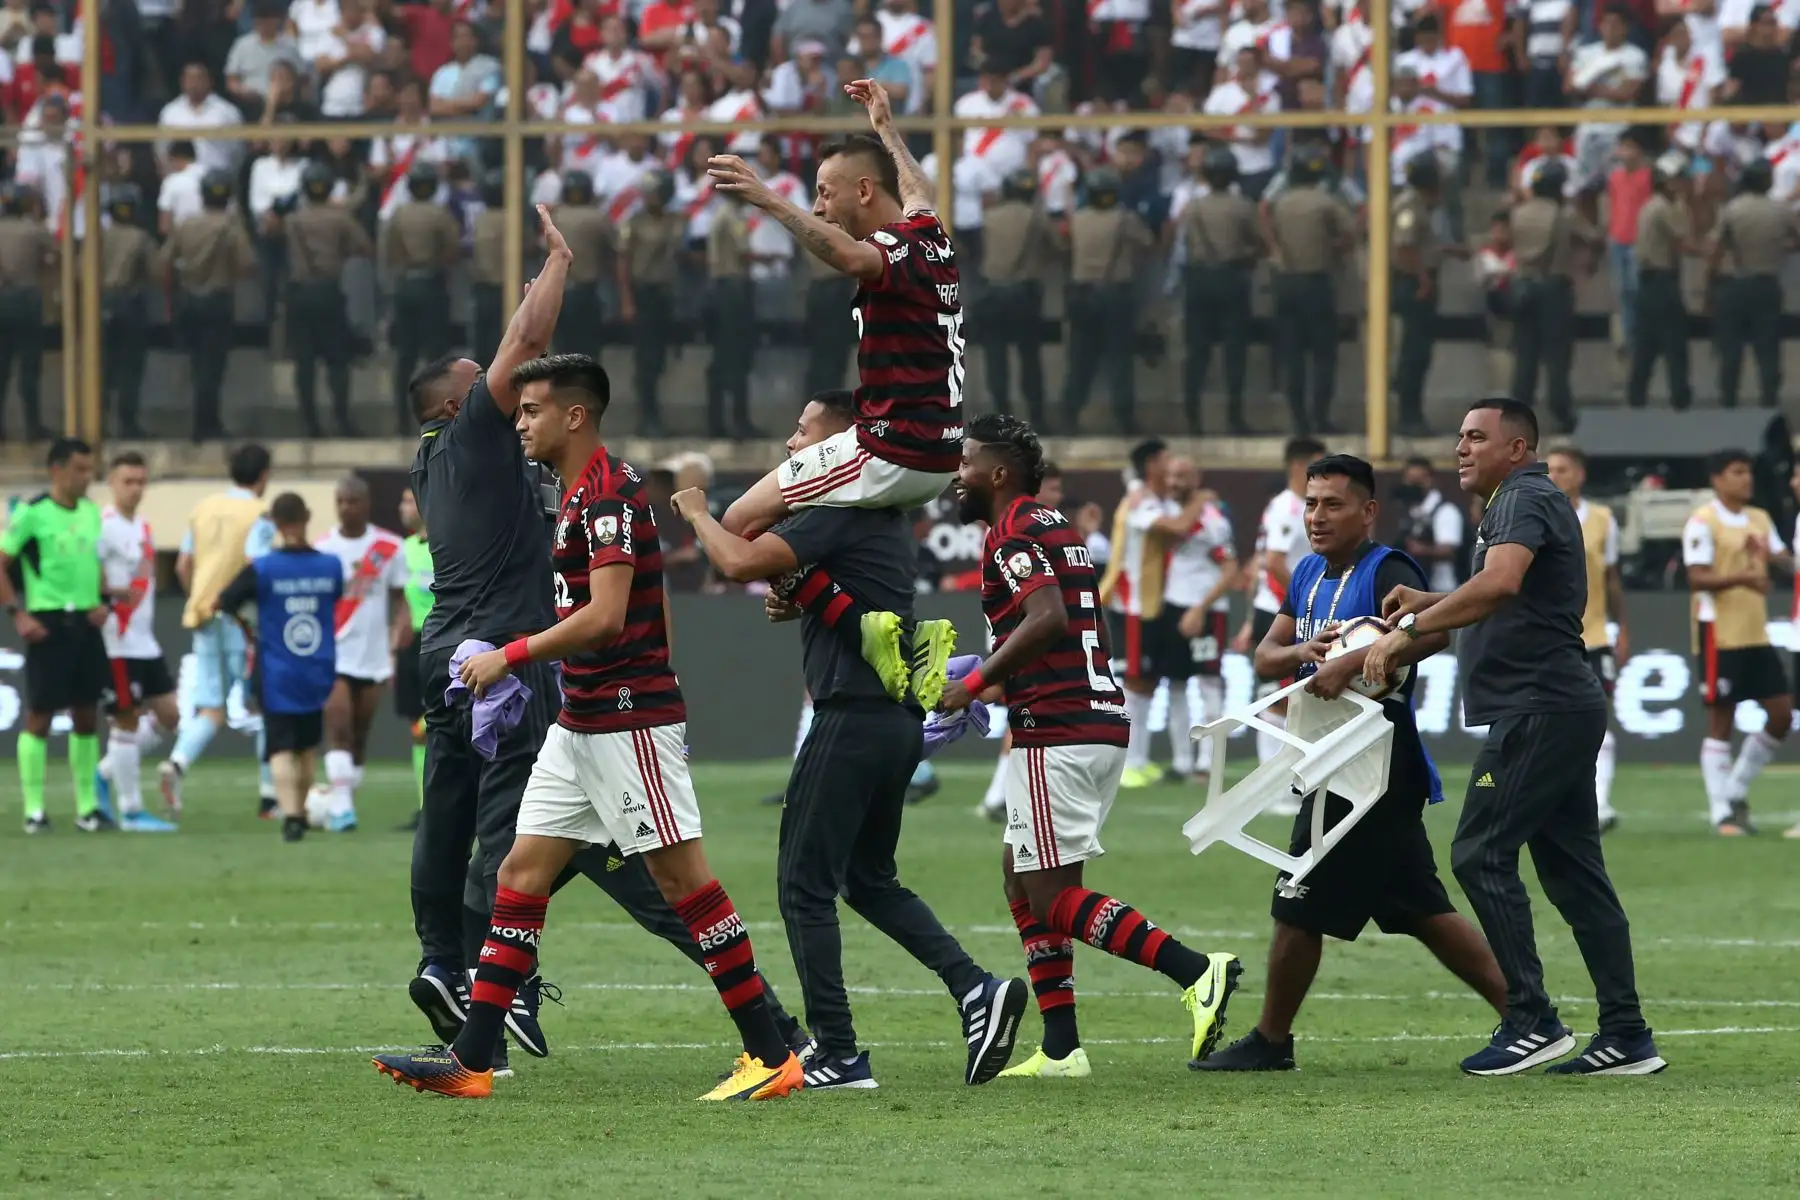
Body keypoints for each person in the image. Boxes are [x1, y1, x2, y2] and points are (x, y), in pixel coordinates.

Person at [404, 213, 804, 1072]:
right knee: (518, 873)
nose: (514, 416)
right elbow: (526, 343)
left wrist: (508, 655)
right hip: (578, 722)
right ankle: (474, 1058)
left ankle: (774, 1050)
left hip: (626, 718)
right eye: (510, 402)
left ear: (574, 414)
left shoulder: (610, 494)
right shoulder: (562, 489)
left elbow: (609, 620)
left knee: (681, 885)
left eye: (532, 407)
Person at [672, 392, 1028, 1093]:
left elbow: (738, 561)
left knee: (802, 885)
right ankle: (977, 989)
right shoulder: (877, 518)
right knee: (867, 879)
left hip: (851, 717)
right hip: (888, 721)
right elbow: (832, 595)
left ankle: (837, 1051)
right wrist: (801, 589)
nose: (789, 446)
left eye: (803, 433)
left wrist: (695, 514)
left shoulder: (838, 509)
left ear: (840, 446)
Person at [1363, 397, 1663, 1076]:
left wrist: (1410, 629)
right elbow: (1495, 588)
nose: (1461, 448)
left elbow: (1500, 584)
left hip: (1539, 708)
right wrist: (1428, 607)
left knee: (1479, 852)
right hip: (1556, 704)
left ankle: (1531, 1020)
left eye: (1476, 437)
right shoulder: (1522, 500)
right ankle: (1626, 1036)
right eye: (1459, 437)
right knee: (1575, 874)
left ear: (1518, 449)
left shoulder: (1521, 497)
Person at [942, 413, 1243, 1080]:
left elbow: (1046, 618)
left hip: (1060, 728)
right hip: (1091, 717)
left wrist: (979, 682)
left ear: (997, 473)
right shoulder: (1057, 528)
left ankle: (1197, 971)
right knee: (1021, 875)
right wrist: (996, 680)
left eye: (964, 464)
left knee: (1049, 897)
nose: (955, 476)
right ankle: (1060, 1047)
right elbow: (1068, 621)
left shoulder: (1011, 532)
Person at [1197, 453, 1507, 1071]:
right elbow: (1264, 657)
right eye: (1311, 503)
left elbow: (1437, 632)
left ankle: (1271, 1040)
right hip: (1329, 760)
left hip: (1377, 764)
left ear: (1367, 512)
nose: (1317, 516)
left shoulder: (1386, 567)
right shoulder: (1307, 572)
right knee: (1421, 910)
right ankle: (1529, 1013)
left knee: (1297, 895)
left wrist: (1356, 661)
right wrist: (1302, 652)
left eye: (1333, 504)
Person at [704, 78, 964, 540]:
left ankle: (805, 590)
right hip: (938, 449)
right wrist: (885, 128)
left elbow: (847, 256)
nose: (820, 207)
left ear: (863, 191)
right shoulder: (929, 232)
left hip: (895, 449)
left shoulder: (894, 247)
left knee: (735, 525)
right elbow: (915, 187)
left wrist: (767, 198)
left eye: (826, 192)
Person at [211, 493, 341, 844]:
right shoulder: (331, 566)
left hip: (276, 668)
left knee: (280, 747)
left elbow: (221, 602)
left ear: (275, 523)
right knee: (307, 746)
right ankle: (301, 808)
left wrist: (249, 625)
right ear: (308, 516)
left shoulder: (264, 568)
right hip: (318, 665)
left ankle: (292, 818)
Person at [0, 438, 109, 832]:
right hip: (48, 623)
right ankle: (34, 810)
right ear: (57, 470)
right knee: (40, 717)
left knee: (85, 715)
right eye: (80, 469)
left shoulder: (93, 514)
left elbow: (94, 565)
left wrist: (103, 602)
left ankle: (87, 808)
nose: (87, 477)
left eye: (89, 469)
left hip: (85, 623)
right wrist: (19, 614)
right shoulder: (33, 514)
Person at [162, 444, 276, 816]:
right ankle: (269, 796)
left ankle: (177, 762)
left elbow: (182, 565)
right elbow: (255, 566)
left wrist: (199, 595)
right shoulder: (260, 513)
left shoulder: (203, 508)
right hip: (241, 619)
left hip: (203, 615)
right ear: (263, 476)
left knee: (211, 708)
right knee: (262, 703)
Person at [1681, 449, 1790, 836]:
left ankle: (1736, 789)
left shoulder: (1759, 519)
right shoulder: (1703, 522)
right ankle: (1721, 812)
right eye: (1737, 472)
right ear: (1718, 479)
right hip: (1719, 633)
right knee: (1721, 719)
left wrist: (1771, 559)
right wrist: (1743, 578)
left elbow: (1788, 563)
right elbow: (1696, 578)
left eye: (1748, 472)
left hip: (1755, 633)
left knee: (1781, 715)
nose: (1747, 479)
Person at [1098, 438, 1207, 788]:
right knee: (1134, 682)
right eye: (1166, 459)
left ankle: (1139, 759)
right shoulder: (1140, 500)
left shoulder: (1152, 497)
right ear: (1152, 465)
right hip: (1132, 605)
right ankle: (1126, 762)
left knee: (1146, 684)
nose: (1171, 465)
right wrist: (1202, 501)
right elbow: (1175, 528)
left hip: (1151, 604)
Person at [311, 475, 410, 833]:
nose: (345, 508)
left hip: (373, 656)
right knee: (337, 727)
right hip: (333, 654)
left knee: (359, 735)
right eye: (340, 501)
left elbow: (400, 599)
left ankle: (342, 799)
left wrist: (400, 629)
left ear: (365, 505)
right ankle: (342, 809)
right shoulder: (323, 549)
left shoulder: (389, 547)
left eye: (352, 501)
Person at [95, 453, 180, 833]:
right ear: (111, 483)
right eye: (127, 481)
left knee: (170, 716)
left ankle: (107, 769)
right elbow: (90, 578)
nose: (135, 489)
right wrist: (109, 598)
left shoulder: (144, 527)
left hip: (145, 640)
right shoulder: (101, 526)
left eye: (141, 482)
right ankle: (131, 811)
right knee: (126, 723)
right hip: (116, 640)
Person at [1546, 446, 1630, 832]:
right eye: (1550, 469)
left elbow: (1611, 577)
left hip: (1593, 635)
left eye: (1562, 469)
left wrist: (1623, 628)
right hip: (1548, 637)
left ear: (1580, 474)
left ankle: (1600, 804)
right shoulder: (1538, 516)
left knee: (1598, 717)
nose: (1555, 476)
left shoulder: (1602, 520)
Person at [1234, 437, 1326, 781]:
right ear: (1298, 466)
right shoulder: (1286, 508)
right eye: (1319, 465)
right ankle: (1270, 782)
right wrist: (1309, 596)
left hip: (1289, 610)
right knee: (1279, 697)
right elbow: (1273, 562)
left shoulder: (1304, 506)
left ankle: (1288, 777)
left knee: (1298, 695)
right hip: (1281, 612)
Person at [159, 170, 255, 441]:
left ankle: (202, 423)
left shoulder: (187, 224)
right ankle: (206, 425)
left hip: (188, 299)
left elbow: (164, 259)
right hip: (218, 300)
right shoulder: (231, 226)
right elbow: (248, 263)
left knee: (196, 364)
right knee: (213, 367)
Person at [1267, 145, 1354, 436]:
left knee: (1292, 355)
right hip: (1316, 281)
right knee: (1322, 355)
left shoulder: (1281, 203)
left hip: (1286, 281)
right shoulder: (1326, 202)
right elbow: (1350, 233)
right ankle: (1320, 416)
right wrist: (1332, 248)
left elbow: (1269, 231)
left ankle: (1299, 420)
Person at [1178, 146, 1261, 436]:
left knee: (1197, 352)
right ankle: (1235, 418)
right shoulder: (1243, 205)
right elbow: (1259, 242)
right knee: (1234, 351)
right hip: (1232, 279)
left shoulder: (1193, 207)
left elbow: (1185, 243)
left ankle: (1192, 418)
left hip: (1199, 280)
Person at [284, 162, 371, 437]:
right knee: (337, 360)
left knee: (305, 362)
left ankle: (310, 423)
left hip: (299, 294)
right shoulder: (341, 218)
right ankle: (342, 420)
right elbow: (364, 247)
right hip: (329, 292)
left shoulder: (293, 220)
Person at [1508, 160, 1596, 433]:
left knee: (1525, 355)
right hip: (1554, 288)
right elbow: (1593, 237)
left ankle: (1518, 416)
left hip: (1523, 286)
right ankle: (1561, 413)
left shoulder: (1518, 213)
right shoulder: (1565, 215)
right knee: (1557, 356)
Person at [1062, 167, 1152, 434]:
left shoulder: (1077, 219)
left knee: (1080, 359)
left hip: (1082, 294)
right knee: (1119, 360)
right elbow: (1148, 242)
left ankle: (1070, 415)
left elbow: (1065, 246)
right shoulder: (1126, 219)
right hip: (1116, 294)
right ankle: (1125, 418)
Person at [1166, 457, 1238, 783]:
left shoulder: (1212, 518)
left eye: (1181, 476)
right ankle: (1181, 761)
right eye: (1170, 476)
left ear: (1196, 478)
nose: (1174, 482)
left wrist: (1201, 608)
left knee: (1209, 683)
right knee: (1176, 685)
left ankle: (1208, 762)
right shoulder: (1164, 513)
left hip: (1207, 610)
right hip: (1171, 606)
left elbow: (1230, 569)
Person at [1707, 158, 1793, 410]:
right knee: (1767, 352)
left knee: (1730, 352)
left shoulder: (1732, 209)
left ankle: (1729, 403)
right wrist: (1782, 247)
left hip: (1735, 285)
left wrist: (1710, 287)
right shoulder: (1780, 210)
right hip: (1766, 285)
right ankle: (1768, 403)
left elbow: (1715, 251)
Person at [980, 167, 1058, 427]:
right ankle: (1037, 415)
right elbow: (1057, 247)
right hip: (1025, 294)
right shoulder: (1038, 217)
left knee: (996, 356)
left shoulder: (989, 217)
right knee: (1029, 357)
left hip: (992, 291)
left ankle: (1001, 413)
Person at [387, 164, 461, 436]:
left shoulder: (399, 215)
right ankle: (439, 418)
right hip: (432, 284)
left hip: (406, 285)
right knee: (437, 359)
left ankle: (400, 419)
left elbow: (391, 253)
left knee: (405, 357)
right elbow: (452, 250)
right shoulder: (440, 215)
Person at [617, 169, 683, 437]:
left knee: (659, 359)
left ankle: (656, 417)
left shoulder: (674, 221)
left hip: (666, 295)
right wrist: (626, 300)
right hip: (643, 293)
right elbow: (623, 262)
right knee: (645, 359)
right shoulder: (634, 222)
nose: (649, 197)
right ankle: (646, 418)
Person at [1627, 152, 1693, 411]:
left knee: (1646, 346)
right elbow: (1685, 240)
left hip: (1648, 284)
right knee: (1674, 345)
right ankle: (1680, 399)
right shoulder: (1666, 208)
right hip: (1662, 282)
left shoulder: (1650, 205)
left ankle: (1636, 398)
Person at [1390, 155, 1443, 439]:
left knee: (1419, 354)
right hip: (1412, 285)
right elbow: (1404, 246)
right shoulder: (1410, 205)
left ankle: (1414, 414)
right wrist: (1422, 277)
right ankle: (1409, 418)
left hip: (1417, 281)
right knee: (1414, 354)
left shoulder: (1419, 203)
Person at [0, 181, 55, 442]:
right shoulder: (35, 230)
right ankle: (33, 426)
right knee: (30, 369)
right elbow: (56, 256)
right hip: (27, 301)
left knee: (2, 368)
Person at [99, 187, 156, 438]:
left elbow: (79, 270)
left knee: (101, 366)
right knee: (130, 368)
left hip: (99, 303)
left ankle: (99, 420)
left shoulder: (97, 236)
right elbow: (155, 270)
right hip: (131, 302)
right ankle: (127, 423)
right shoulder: (141, 237)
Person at [396, 487, 432, 828]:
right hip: (414, 648)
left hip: (446, 644)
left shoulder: (451, 548)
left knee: (436, 726)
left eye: (411, 500)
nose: (404, 507)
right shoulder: (402, 551)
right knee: (418, 730)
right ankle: (426, 808)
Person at [1395, 456, 1465, 593]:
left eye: (1419, 479)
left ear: (1431, 480)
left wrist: (1420, 549)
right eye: (1410, 479)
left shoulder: (1445, 511)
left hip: (1443, 590)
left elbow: (1449, 550)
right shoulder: (1409, 511)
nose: (1414, 484)